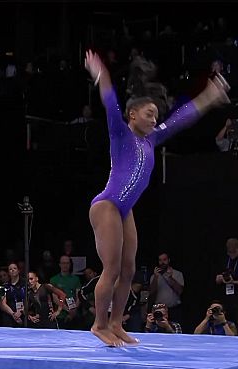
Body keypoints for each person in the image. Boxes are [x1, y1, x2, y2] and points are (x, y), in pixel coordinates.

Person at [84, 50, 230, 346]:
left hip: (125, 209)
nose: (154, 119)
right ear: (132, 115)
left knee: (129, 270)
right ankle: (99, 324)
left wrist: (210, 96)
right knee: (111, 268)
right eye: (148, 114)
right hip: (107, 204)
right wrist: (101, 74)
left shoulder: (152, 139)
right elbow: (110, 102)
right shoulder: (121, 134)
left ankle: (116, 323)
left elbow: (181, 118)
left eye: (156, 114)